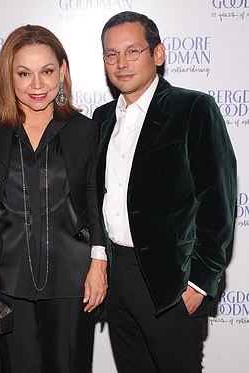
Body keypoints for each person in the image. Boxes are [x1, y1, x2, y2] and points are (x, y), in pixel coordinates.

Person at [93, 11, 236, 373]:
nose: (121, 63)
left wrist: (198, 285)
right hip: (117, 277)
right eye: (111, 54)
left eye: (133, 51)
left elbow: (218, 204)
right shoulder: (101, 118)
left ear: (158, 54)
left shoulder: (194, 108)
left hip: (170, 281)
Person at [0, 24, 107, 373]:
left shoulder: (85, 131)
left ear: (63, 71)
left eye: (47, 72)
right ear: (8, 77)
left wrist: (99, 264)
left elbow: (94, 201)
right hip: (5, 281)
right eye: (24, 74)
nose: (37, 85)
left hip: (73, 282)